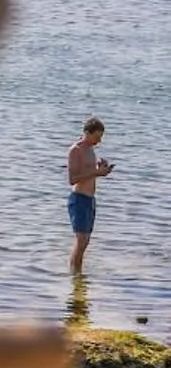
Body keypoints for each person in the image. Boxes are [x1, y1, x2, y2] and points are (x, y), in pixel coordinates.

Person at [67, 116, 114, 273]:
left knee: (86, 242)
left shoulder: (91, 150)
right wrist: (96, 172)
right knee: (81, 241)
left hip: (90, 200)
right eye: (97, 137)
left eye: (101, 137)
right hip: (79, 199)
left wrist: (101, 170)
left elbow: (90, 173)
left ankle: (77, 274)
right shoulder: (76, 150)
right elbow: (72, 179)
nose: (99, 141)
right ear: (87, 132)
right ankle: (75, 276)